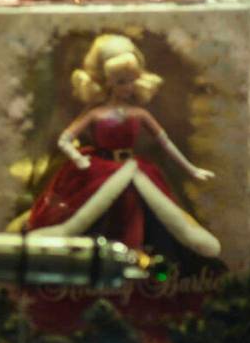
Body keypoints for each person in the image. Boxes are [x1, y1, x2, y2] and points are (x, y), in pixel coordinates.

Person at [26, 34, 221, 263]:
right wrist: (78, 159)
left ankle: (137, 259)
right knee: (89, 217)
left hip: (134, 170)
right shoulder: (95, 114)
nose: (127, 87)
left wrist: (191, 169)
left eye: (131, 80)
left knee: (142, 212)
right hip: (98, 171)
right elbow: (64, 139)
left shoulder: (139, 114)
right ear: (106, 81)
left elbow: (165, 143)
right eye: (121, 82)